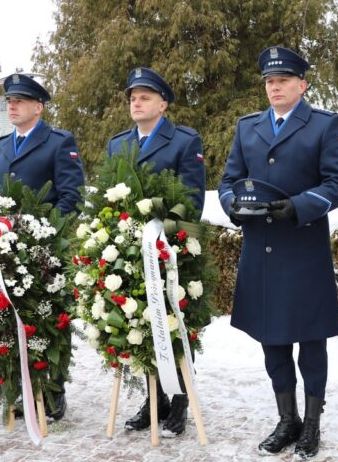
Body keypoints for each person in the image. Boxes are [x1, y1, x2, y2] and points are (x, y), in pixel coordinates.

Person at [218, 46, 338, 459]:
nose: (274, 87)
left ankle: (311, 424)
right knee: (271, 341)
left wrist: (298, 206)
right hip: (261, 251)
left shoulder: (324, 125)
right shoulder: (248, 127)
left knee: (311, 343)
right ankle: (286, 419)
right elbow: (229, 180)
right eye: (269, 82)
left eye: (283, 80)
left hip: (303, 250)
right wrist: (232, 206)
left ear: (302, 85)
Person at [108, 67, 206, 437]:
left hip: (172, 249)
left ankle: (179, 401)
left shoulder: (184, 141)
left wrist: (159, 231)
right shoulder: (118, 144)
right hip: (130, 250)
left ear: (162, 104)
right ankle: (155, 400)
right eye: (133, 97)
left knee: (174, 326)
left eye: (145, 97)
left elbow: (192, 199)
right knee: (140, 322)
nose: (136, 102)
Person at [0, 74, 85, 421]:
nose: (12, 106)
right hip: (7, 251)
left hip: (46, 250)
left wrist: (39, 230)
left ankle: (54, 391)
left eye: (19, 101)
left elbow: (72, 198)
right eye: (9, 101)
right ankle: (21, 388)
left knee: (49, 320)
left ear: (38, 107)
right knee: (13, 320)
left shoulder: (58, 142)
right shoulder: (1, 145)